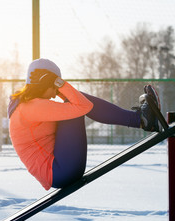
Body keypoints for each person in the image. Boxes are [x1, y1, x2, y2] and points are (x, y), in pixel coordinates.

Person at [8, 58, 160, 190]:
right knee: (76, 105)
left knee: (74, 103)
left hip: (59, 169)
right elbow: (84, 106)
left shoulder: (28, 106)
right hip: (60, 171)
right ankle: (139, 120)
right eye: (54, 86)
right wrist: (62, 86)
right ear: (43, 82)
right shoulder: (31, 107)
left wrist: (60, 88)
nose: (55, 93)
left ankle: (139, 120)